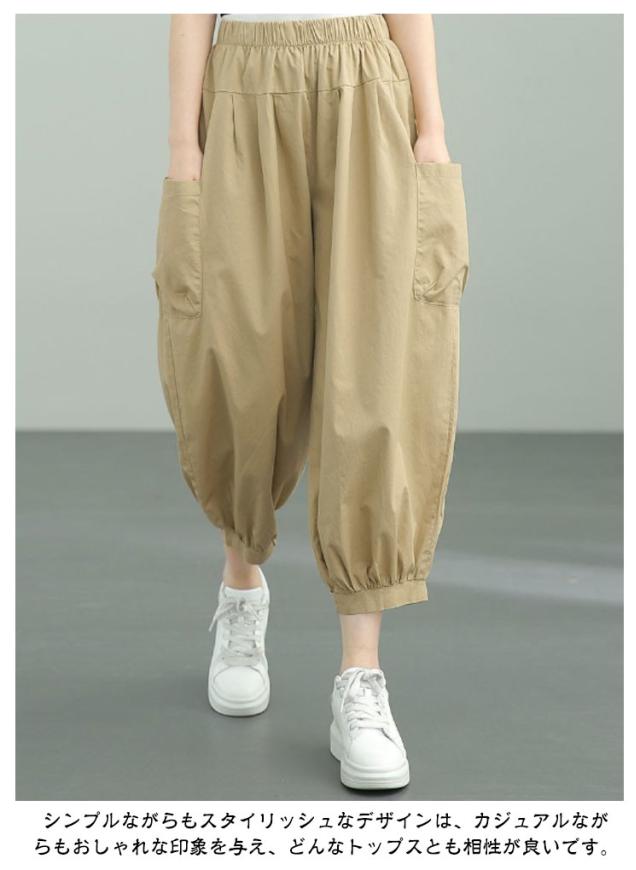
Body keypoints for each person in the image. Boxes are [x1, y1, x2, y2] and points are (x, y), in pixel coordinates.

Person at [152, 12, 469, 791]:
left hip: (368, 80)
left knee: (375, 379)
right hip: (242, 85)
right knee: (240, 361)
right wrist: (183, 142)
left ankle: (360, 678)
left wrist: (431, 126)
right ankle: (241, 590)